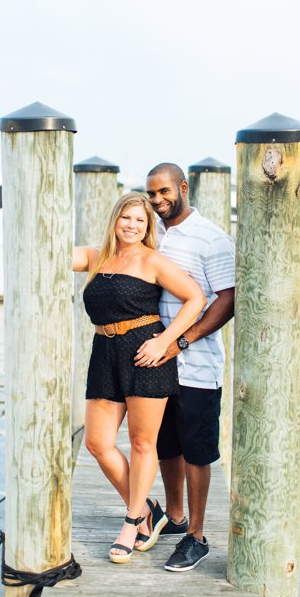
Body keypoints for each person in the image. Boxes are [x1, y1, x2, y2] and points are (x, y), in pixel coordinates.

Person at [72, 192, 205, 564]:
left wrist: (165, 341)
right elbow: (47, 251)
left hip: (146, 354)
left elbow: (195, 298)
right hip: (104, 352)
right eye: (126, 218)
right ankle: (148, 507)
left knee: (143, 443)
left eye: (140, 221)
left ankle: (132, 521)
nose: (131, 226)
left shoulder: (153, 261)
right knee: (97, 443)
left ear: (148, 228)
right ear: (114, 220)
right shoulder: (96, 256)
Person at [143, 162, 235, 572]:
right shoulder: (152, 234)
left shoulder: (211, 238)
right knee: (166, 445)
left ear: (183, 187)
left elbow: (227, 299)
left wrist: (181, 341)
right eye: (152, 194)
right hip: (156, 364)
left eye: (164, 191)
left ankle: (197, 536)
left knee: (198, 452)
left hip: (197, 365)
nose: (158, 200)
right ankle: (175, 518)